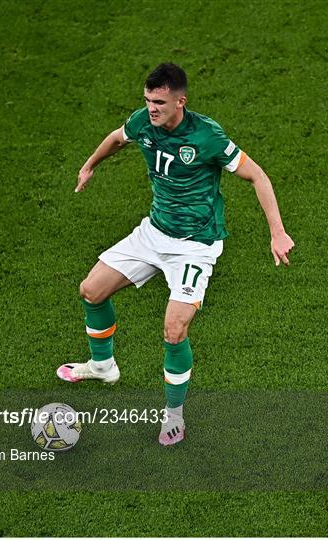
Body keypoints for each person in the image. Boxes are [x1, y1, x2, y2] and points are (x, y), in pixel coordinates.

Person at [57, 63, 294, 446]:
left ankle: (174, 416)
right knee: (91, 290)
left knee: (174, 328)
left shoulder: (207, 135)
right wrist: (88, 166)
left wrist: (277, 232)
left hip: (195, 246)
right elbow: (117, 139)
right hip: (153, 233)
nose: (152, 109)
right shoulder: (143, 122)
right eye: (148, 101)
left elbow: (258, 177)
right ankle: (103, 366)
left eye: (160, 103)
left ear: (180, 101)